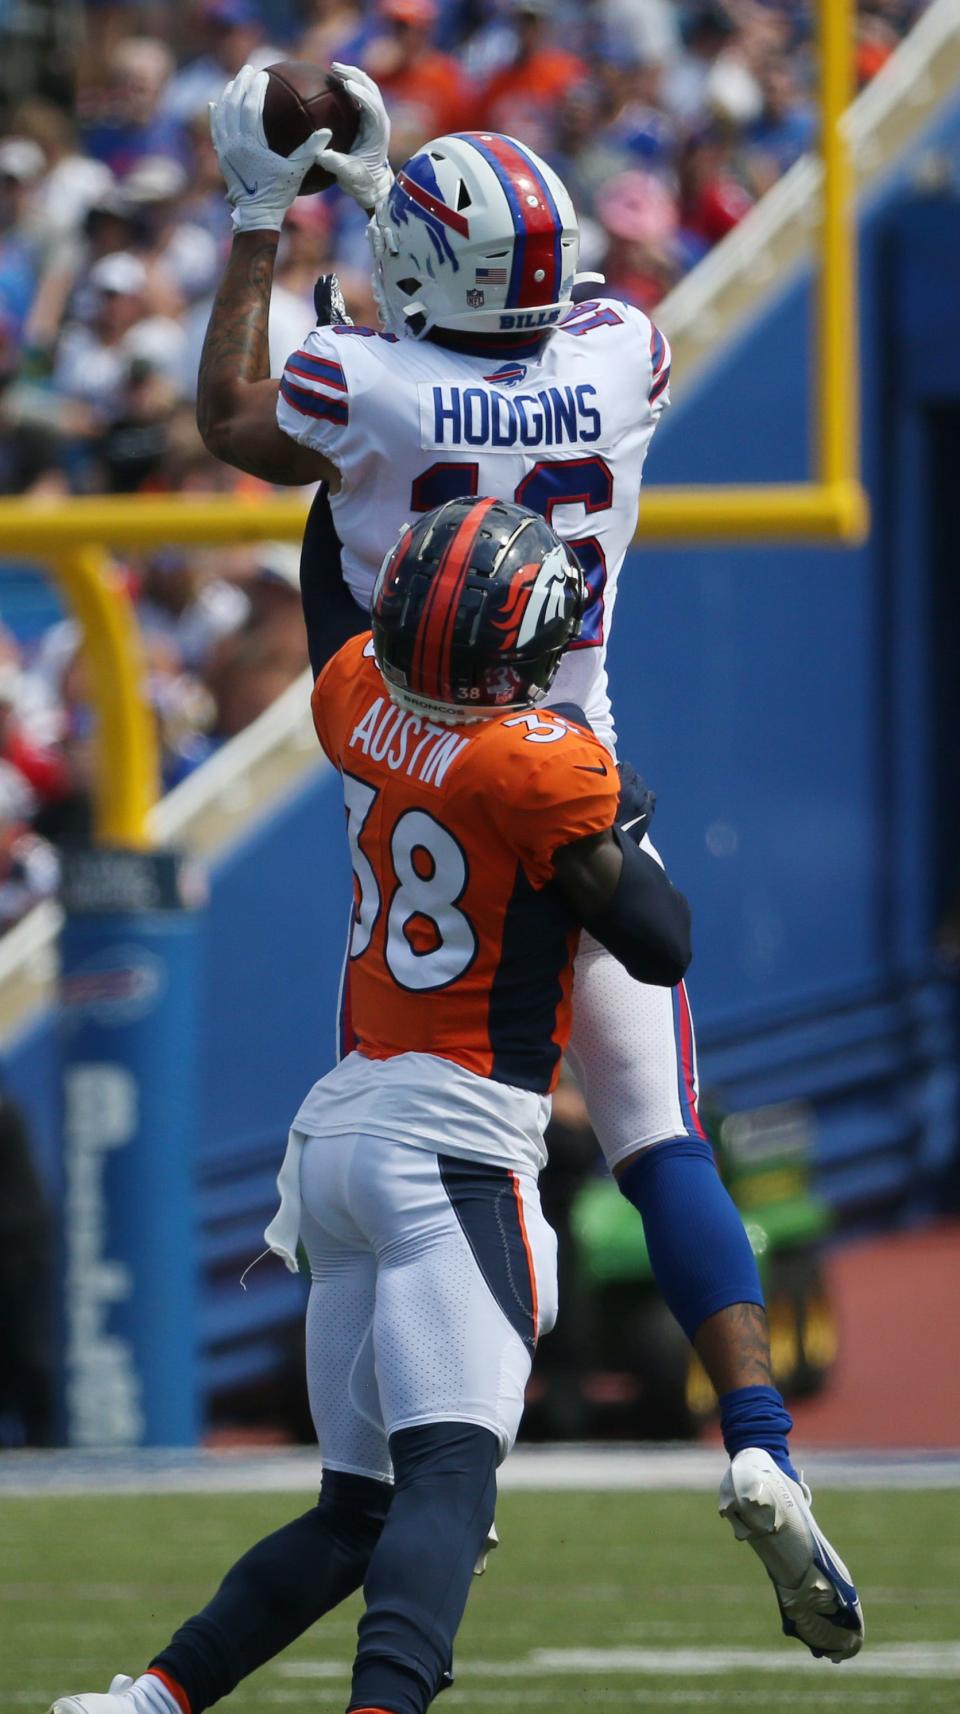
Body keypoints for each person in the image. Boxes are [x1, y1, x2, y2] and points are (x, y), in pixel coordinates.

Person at [207, 61, 860, 1661]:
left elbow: (239, 414)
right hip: (580, 776)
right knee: (660, 1133)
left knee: (414, 1107)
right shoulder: (622, 351)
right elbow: (497, 334)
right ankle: (761, 1434)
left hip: (417, 773)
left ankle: (417, 1466)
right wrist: (393, 195)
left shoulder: (363, 383)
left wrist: (260, 202)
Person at [48, 497, 694, 1714]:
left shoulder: (358, 705)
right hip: (456, 1143)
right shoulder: (533, 762)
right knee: (451, 1479)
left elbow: (328, 593)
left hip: (339, 1133)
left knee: (358, 1511)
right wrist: (626, 812)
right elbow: (662, 944)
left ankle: (146, 1704)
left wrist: (337, 476)